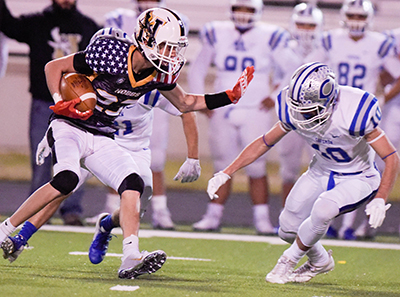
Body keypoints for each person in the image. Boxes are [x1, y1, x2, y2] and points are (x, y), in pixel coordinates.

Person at [0, 8, 254, 279]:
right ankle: (6, 230)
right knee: (66, 180)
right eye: (167, 46)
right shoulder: (112, 54)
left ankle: (131, 255)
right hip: (70, 127)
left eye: (175, 48)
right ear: (146, 39)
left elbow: (186, 103)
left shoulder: (160, 74)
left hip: (103, 135)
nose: (172, 54)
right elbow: (54, 66)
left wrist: (229, 95)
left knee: (133, 183)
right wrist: (58, 99)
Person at [206, 62, 399, 284]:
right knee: (287, 229)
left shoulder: (356, 109)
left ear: (330, 99)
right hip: (320, 171)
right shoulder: (292, 107)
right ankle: (320, 260)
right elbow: (264, 142)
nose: (302, 115)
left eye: (309, 109)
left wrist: (380, 198)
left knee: (323, 210)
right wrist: (226, 172)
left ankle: (286, 262)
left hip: (358, 177)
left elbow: (391, 157)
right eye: (298, 107)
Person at [2, 91, 200, 264]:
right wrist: (54, 131)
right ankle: (20, 237)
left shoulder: (149, 88)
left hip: (135, 150)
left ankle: (106, 225)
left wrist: (192, 157)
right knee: (64, 185)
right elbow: (69, 104)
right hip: (98, 141)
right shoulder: (104, 80)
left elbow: (186, 109)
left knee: (135, 206)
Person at [188, 0, 300, 234]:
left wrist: (275, 94)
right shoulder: (216, 31)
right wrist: (202, 100)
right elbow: (197, 68)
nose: (243, 14)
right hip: (222, 106)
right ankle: (213, 215)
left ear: (257, 11)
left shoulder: (270, 35)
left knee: (257, 166)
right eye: (239, 8)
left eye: (248, 9)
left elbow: (293, 68)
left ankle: (261, 219)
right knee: (221, 163)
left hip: (254, 108)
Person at [86, 0, 189, 230]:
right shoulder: (118, 33)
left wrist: (192, 156)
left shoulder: (154, 84)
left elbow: (186, 107)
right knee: (71, 176)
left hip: (141, 113)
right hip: (110, 123)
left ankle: (160, 211)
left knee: (154, 165)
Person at [0, 0, 100, 226]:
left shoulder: (87, 27)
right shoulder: (39, 22)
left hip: (77, 108)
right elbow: (9, 25)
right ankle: (35, 213)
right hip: (45, 102)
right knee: (41, 162)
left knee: (76, 160)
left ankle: (71, 210)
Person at [307, 0, 400, 240]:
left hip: (363, 112)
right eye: (352, 15)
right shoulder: (330, 39)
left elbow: (398, 75)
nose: (356, 21)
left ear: (368, 19)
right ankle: (330, 221)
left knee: (362, 167)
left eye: (361, 16)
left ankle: (348, 225)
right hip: (334, 110)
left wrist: (382, 99)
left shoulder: (379, 43)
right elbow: (311, 69)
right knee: (329, 164)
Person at [277, 2, 323, 207]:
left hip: (319, 120)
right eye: (301, 24)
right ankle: (287, 216)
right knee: (288, 170)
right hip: (290, 116)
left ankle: (319, 220)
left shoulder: (326, 49)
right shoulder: (281, 49)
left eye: (310, 25)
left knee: (322, 169)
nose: (305, 29)